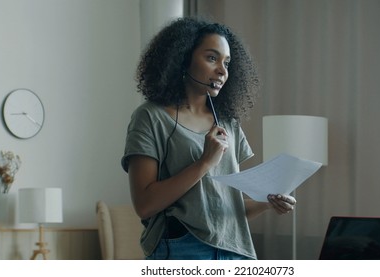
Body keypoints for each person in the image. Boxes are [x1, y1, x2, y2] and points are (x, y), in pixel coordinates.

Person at [121, 17, 296, 260]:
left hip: (236, 251)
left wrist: (268, 202)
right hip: (183, 249)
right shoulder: (150, 117)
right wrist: (205, 162)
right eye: (212, 58)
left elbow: (223, 207)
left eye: (227, 62)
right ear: (183, 58)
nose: (223, 71)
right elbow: (145, 204)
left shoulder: (228, 123)